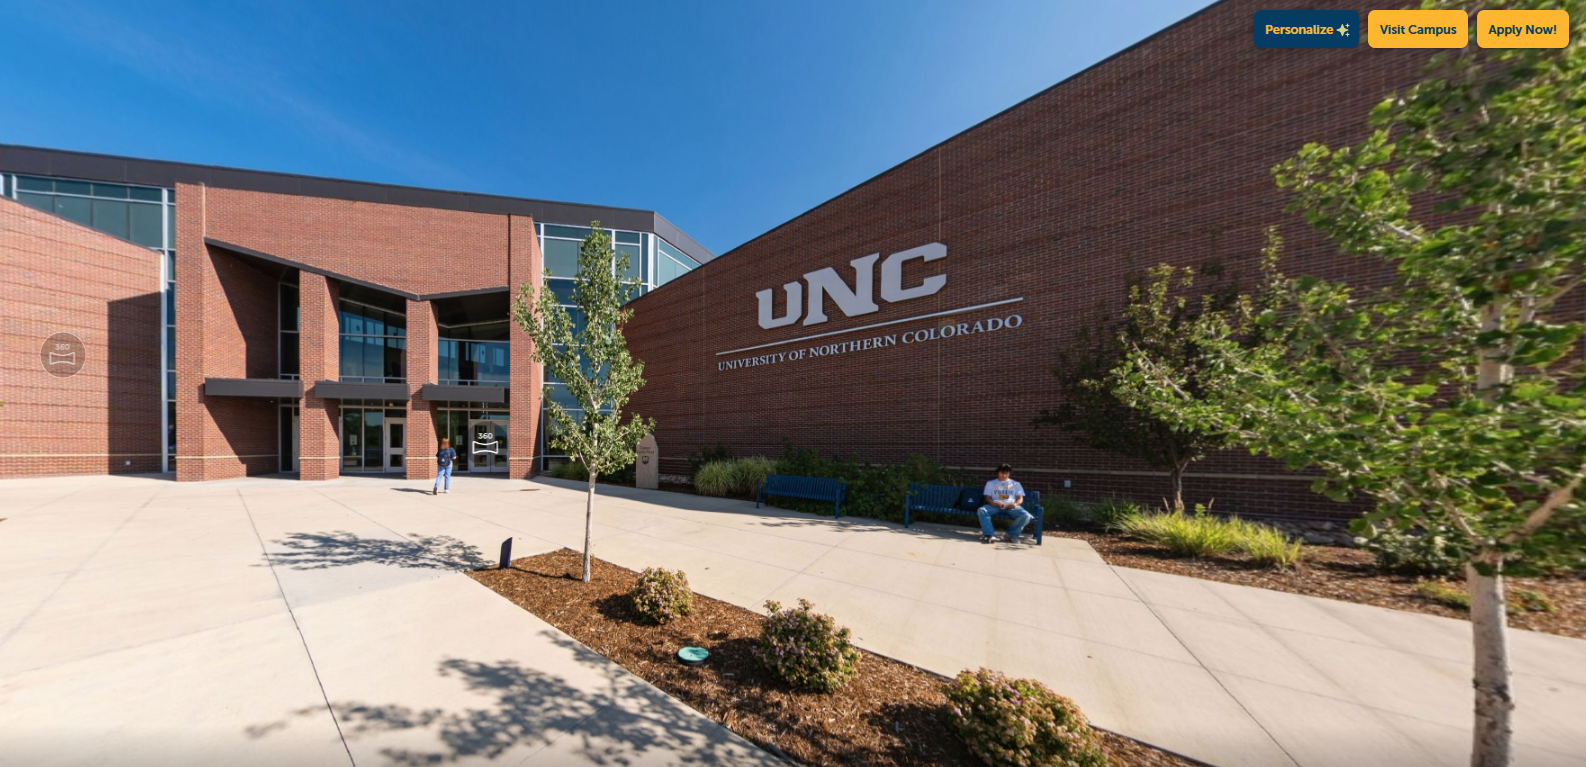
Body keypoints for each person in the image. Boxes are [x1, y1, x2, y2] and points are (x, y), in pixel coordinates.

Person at [978, 463, 1032, 543]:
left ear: (1009, 473)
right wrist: (991, 502)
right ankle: (990, 535)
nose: (1004, 475)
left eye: (1006, 473)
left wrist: (1016, 504)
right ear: (998, 472)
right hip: (996, 506)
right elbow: (987, 498)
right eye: (1002, 473)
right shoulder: (991, 483)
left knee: (1026, 516)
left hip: (1010, 506)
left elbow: (1020, 498)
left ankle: (1011, 534)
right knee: (982, 510)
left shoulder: (1016, 484)